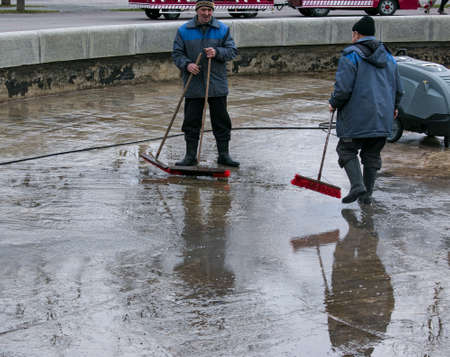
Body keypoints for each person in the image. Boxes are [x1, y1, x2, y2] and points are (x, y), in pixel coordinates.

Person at [329, 16, 403, 204]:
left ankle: (357, 186)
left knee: (346, 149)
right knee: (372, 154)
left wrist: (333, 103)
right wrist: (394, 107)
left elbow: (343, 88)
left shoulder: (351, 55)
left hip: (356, 117)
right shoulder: (389, 57)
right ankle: (366, 196)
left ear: (356, 34)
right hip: (382, 117)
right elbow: (399, 88)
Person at [172, 0, 239, 167]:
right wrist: (187, 64)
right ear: (197, 11)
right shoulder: (184, 30)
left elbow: (232, 51)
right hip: (193, 83)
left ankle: (224, 155)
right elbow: (177, 53)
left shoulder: (222, 29)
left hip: (216, 83)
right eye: (203, 10)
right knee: (191, 120)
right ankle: (190, 156)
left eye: (209, 10)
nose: (207, 13)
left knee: (221, 120)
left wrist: (217, 52)